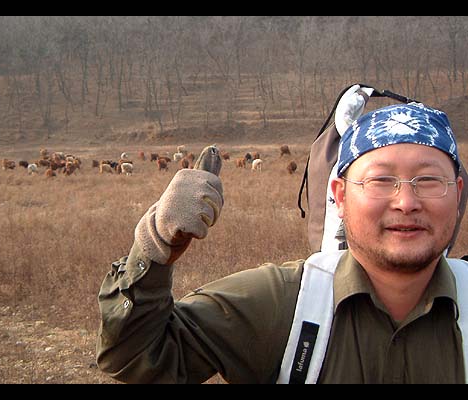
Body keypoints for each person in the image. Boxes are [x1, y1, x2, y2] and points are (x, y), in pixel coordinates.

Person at [96, 102, 467, 384]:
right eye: (380, 181)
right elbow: (136, 358)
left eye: (429, 181)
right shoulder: (284, 303)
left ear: (458, 193)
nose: (406, 202)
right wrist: (154, 247)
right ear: (339, 196)